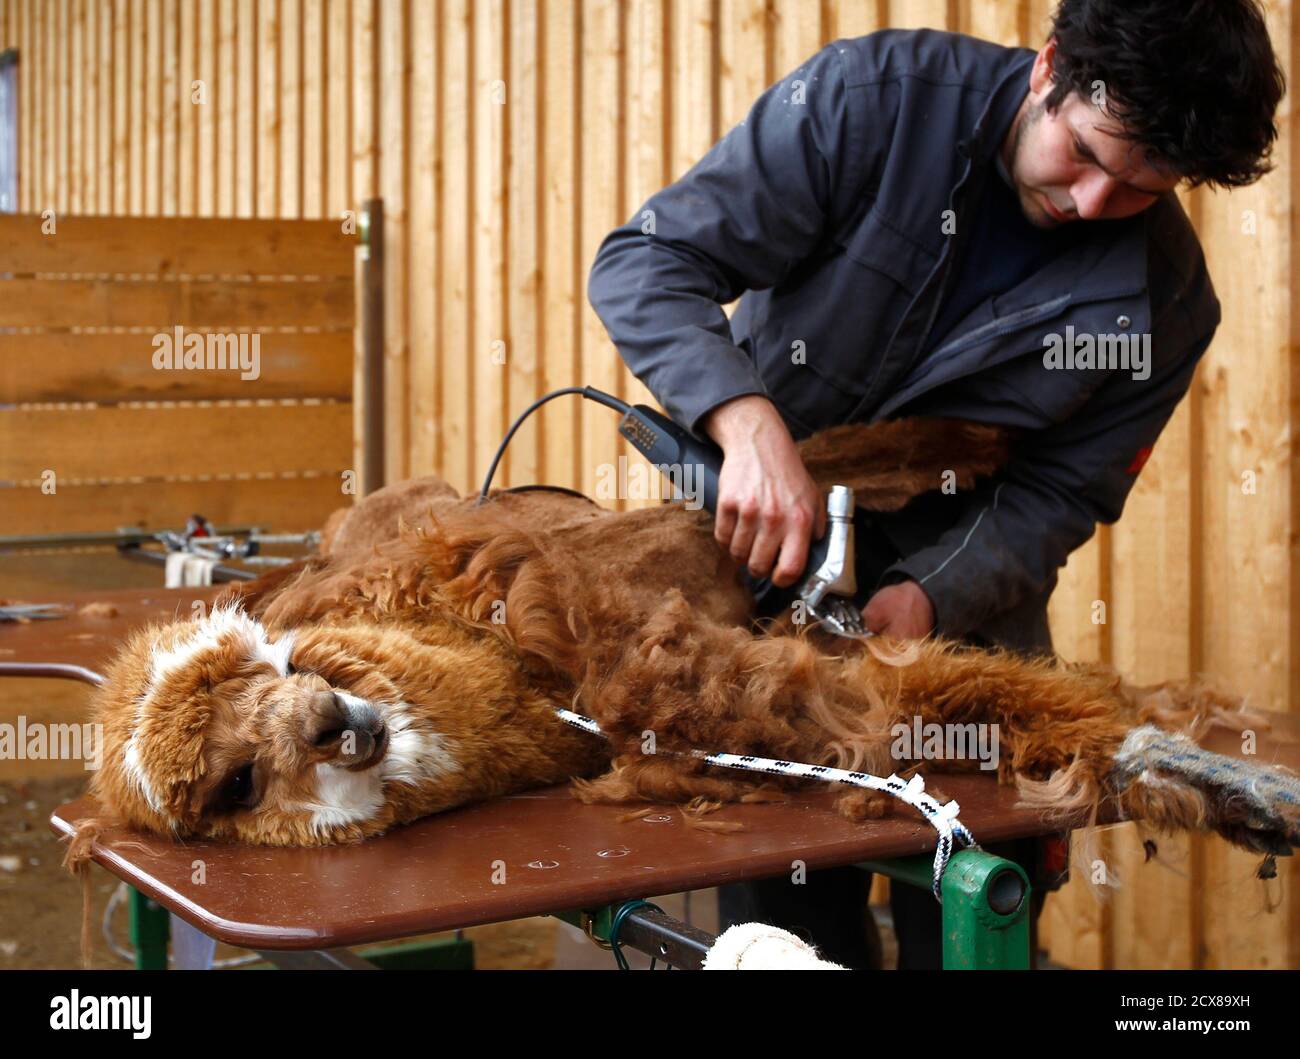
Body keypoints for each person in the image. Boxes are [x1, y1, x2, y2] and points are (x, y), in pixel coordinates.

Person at [586, 0, 1285, 968]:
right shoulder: (869, 104)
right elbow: (645, 261)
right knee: (783, 916)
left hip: (966, 628)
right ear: (1049, 70)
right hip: (759, 572)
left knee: (976, 909)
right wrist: (743, 423)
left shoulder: (1166, 303)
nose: (1089, 203)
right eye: (1082, 155)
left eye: (1137, 190)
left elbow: (1059, 496)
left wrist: (926, 599)